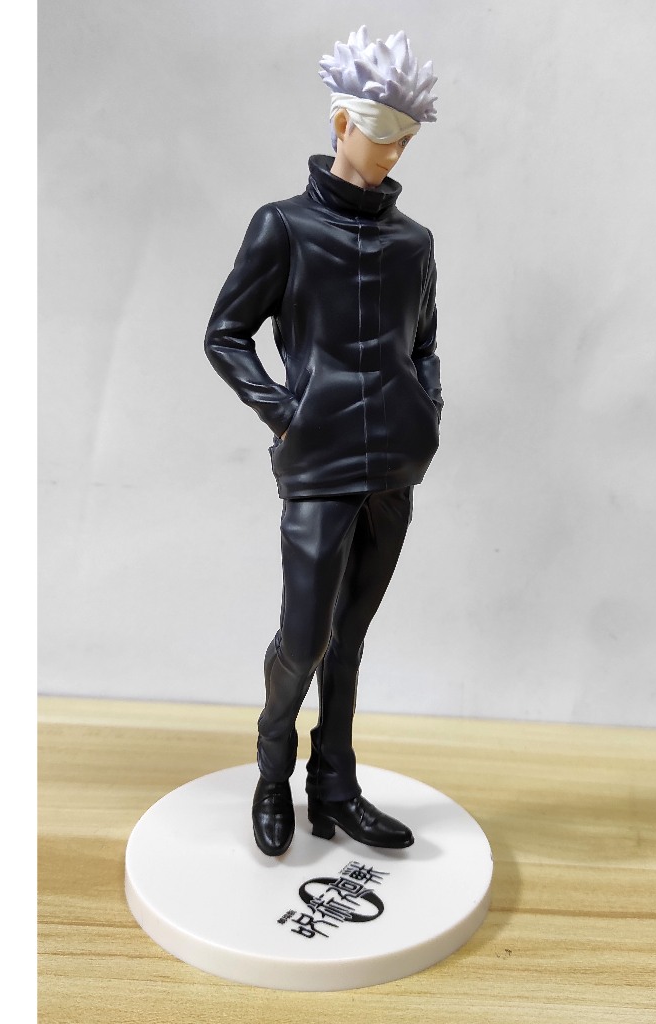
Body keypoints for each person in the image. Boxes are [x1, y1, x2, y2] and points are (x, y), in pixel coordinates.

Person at [204, 27, 442, 856]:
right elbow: (226, 333)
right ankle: (273, 769)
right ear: (342, 123)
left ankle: (334, 788)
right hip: (318, 463)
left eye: (405, 137)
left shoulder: (414, 243)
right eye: (380, 132)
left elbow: (423, 344)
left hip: (394, 467)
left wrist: (426, 412)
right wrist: (284, 411)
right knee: (305, 637)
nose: (392, 151)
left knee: (352, 639)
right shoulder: (284, 227)